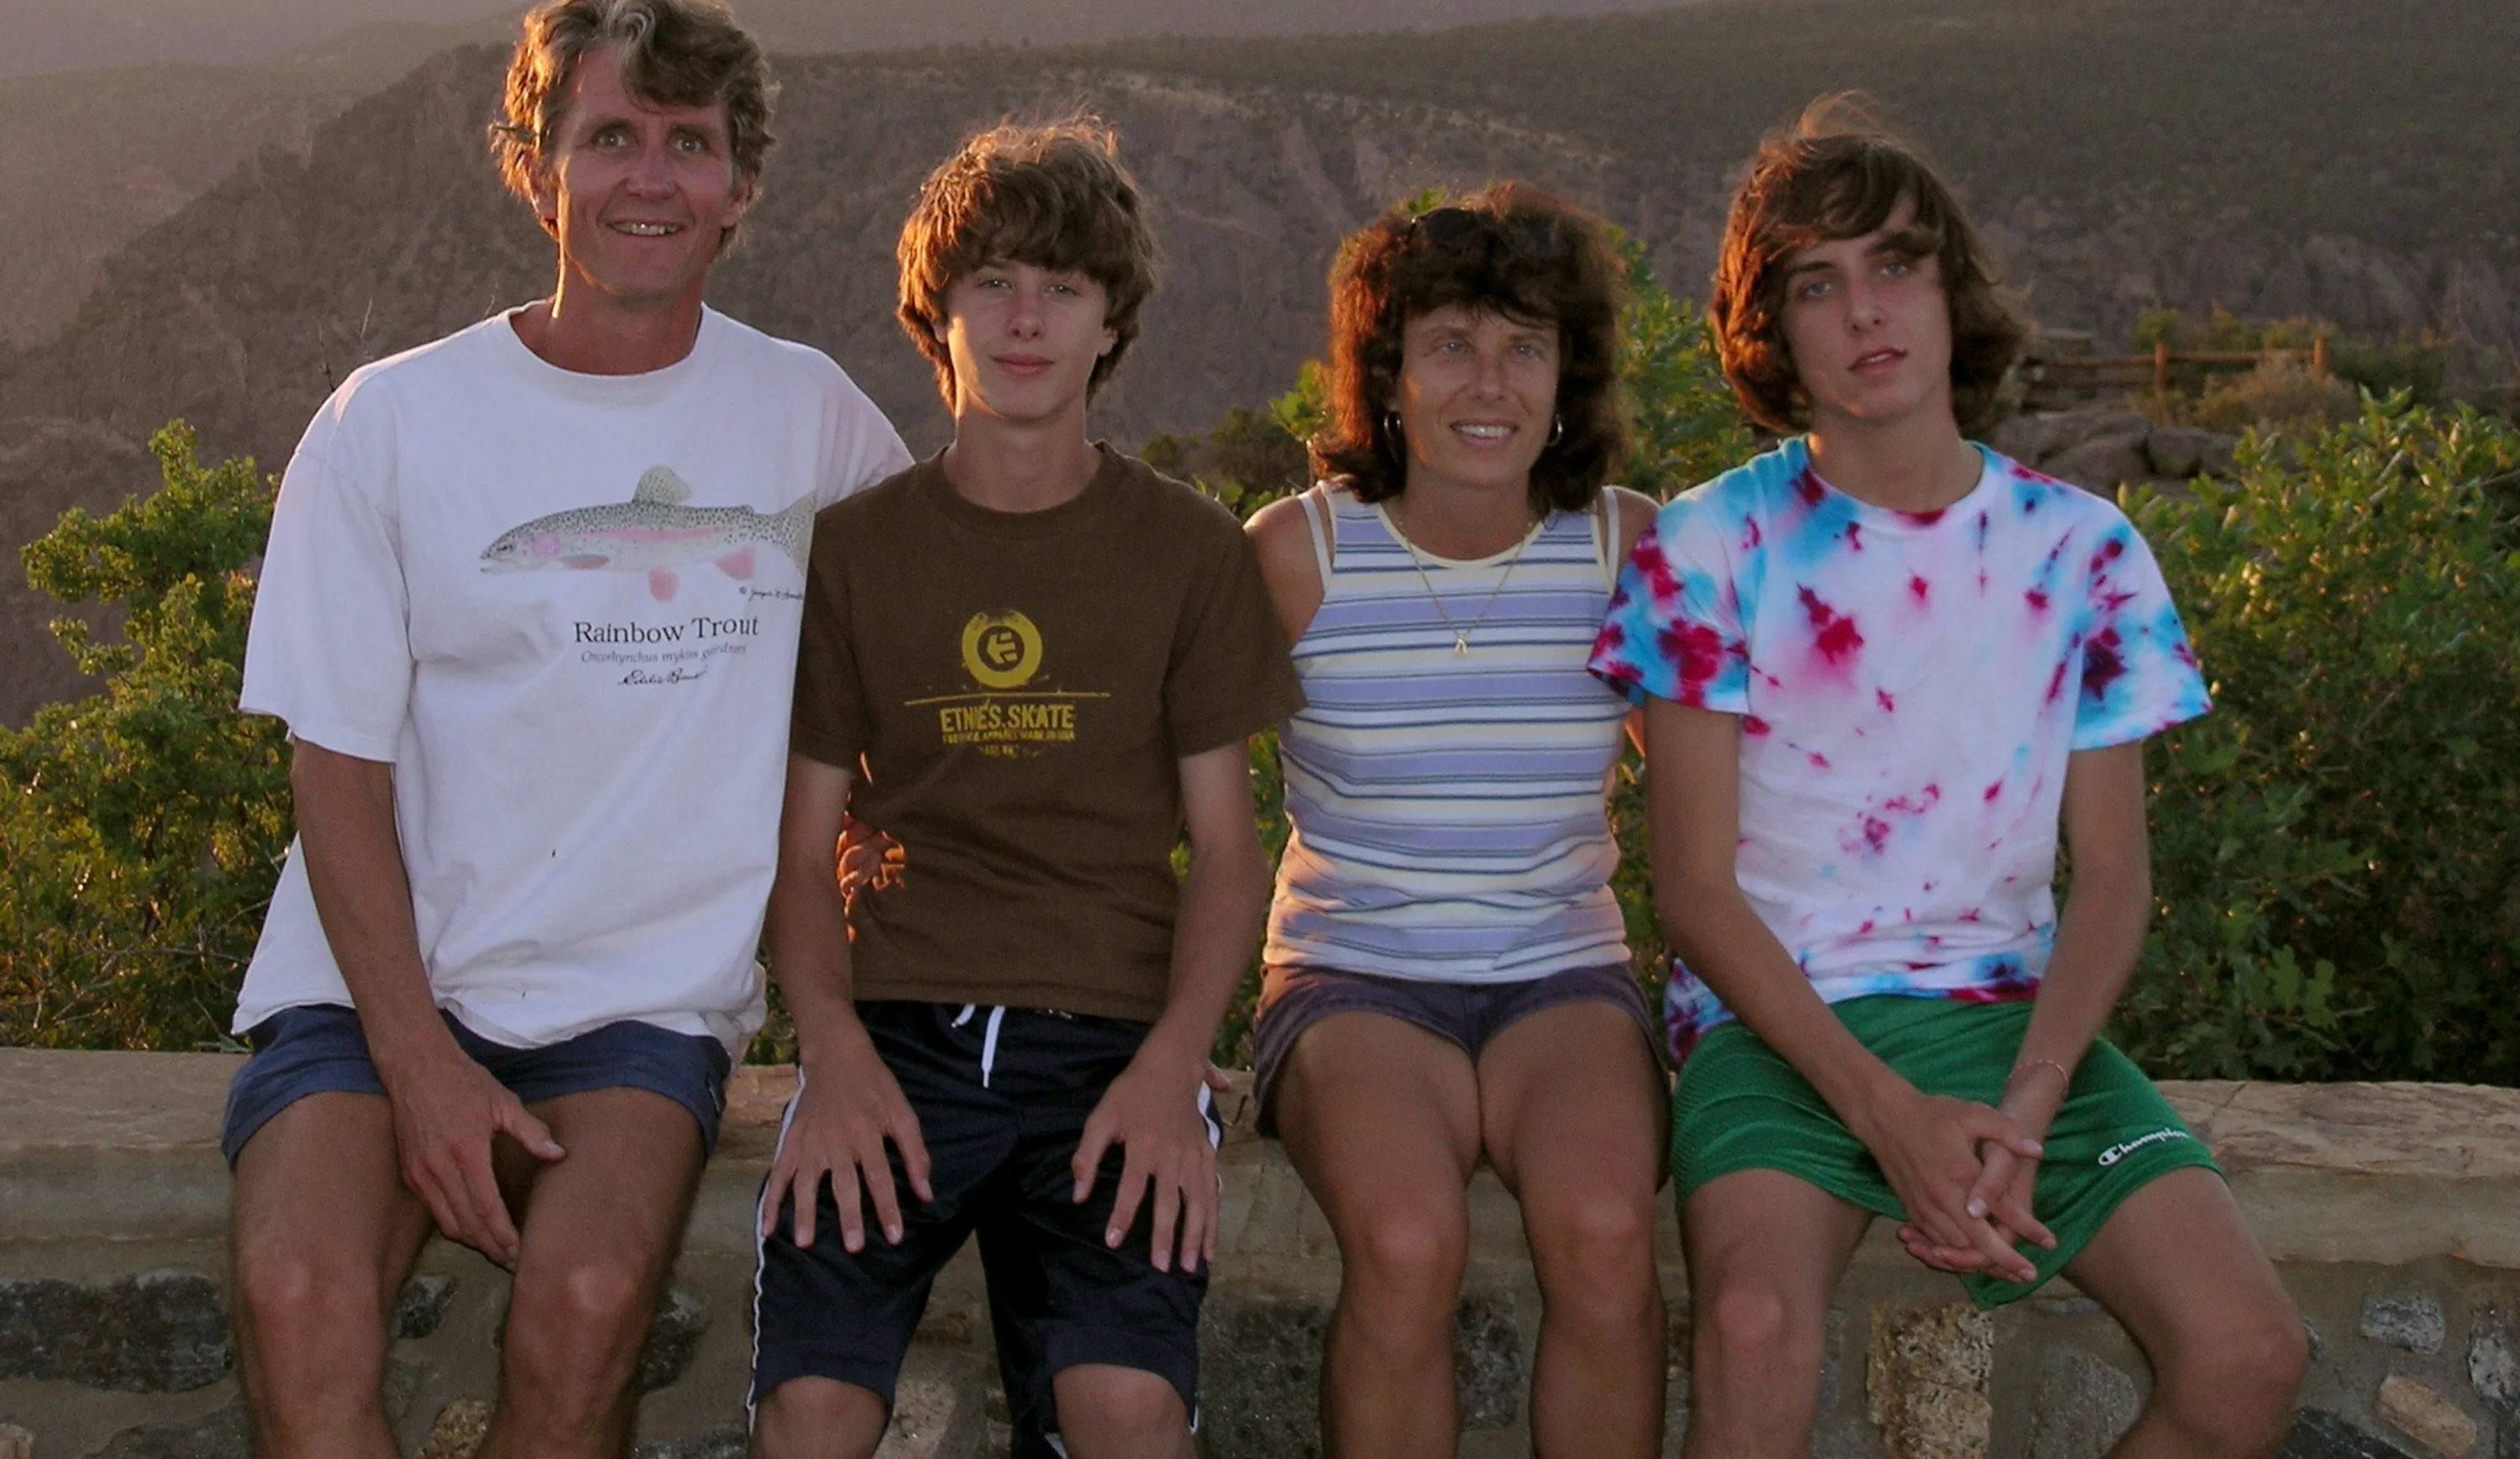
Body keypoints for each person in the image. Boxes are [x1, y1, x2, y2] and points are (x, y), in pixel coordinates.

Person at [219, 0, 911, 1459]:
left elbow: (926, 717)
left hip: (641, 1005)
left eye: (688, 141)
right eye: (609, 139)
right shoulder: (387, 425)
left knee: (588, 1304)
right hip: (374, 985)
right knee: (299, 1298)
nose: (648, 179)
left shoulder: (819, 426)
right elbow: (332, 770)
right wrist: (418, 1064)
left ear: (739, 185)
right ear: (535, 167)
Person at [1588, 103, 2308, 1458]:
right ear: (1773, 331)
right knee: (1749, 1336)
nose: (1866, 311)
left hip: (2010, 1021)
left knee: (2250, 1355)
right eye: (1817, 283)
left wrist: (2025, 1110)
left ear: (1949, 291)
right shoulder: (1712, 545)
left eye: (1896, 264)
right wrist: (1889, 1116)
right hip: (1777, 1031)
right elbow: (1690, 889)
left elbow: (2114, 879)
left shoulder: (2083, 549)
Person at [749, 118, 1302, 1459]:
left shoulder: (1188, 549)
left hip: (1109, 1040)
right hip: (896, 1033)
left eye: (1063, 287)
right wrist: (828, 1052)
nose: (1026, 318)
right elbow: (800, 837)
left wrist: (1176, 1063)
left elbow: (1230, 849)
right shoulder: (859, 552)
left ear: (1113, 324)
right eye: (990, 282)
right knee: (812, 1415)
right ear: (933, 314)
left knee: (1121, 1408)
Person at [1240, 186, 1670, 1459]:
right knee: (1408, 1242)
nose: (1490, 381)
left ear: (1565, 374)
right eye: (1449, 345)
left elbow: (1726, 802)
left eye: (1524, 345)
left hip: (1562, 972)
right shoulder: (1299, 555)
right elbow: (1175, 790)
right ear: (1388, 377)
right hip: (1353, 976)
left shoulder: (1623, 549)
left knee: (1604, 1237)